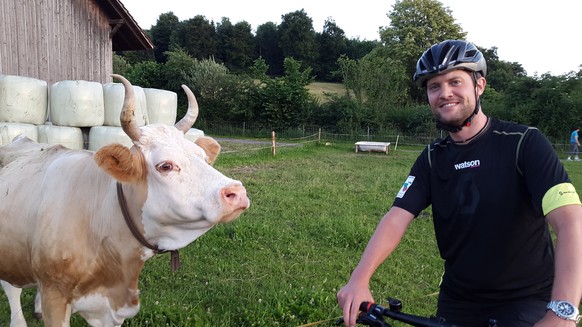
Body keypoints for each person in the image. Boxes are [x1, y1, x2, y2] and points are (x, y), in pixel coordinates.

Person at [337, 40, 582, 327]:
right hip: (458, 301)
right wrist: (359, 278)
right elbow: (396, 218)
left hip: (527, 299)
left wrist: (562, 312)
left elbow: (570, 221)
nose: (445, 93)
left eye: (455, 81)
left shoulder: (524, 143)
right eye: (434, 86)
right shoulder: (431, 159)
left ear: (480, 85)